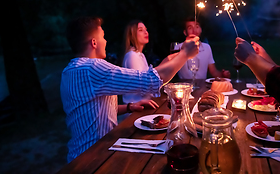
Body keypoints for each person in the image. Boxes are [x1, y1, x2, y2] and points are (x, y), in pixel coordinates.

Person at [60, 16, 199, 162]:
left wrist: (129, 106)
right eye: (103, 36)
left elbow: (91, 109)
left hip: (80, 155)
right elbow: (151, 80)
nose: (105, 41)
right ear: (94, 42)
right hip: (93, 157)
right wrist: (185, 54)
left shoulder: (69, 70)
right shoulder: (93, 68)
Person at [121, 20, 150, 103]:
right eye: (141, 30)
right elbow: (143, 86)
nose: (146, 32)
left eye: (146, 29)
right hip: (135, 109)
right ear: (132, 35)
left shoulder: (140, 55)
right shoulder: (132, 56)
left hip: (144, 104)